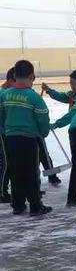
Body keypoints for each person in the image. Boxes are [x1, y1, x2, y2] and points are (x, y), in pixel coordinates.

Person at [0, 60, 51, 216]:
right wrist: (43, 132)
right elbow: (43, 118)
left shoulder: (5, 95)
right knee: (31, 172)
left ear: (14, 75)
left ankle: (18, 205)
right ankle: (36, 206)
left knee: (16, 171)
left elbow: (1, 116)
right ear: (31, 76)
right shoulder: (34, 97)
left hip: (10, 139)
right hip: (29, 140)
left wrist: (6, 129)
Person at [42, 70, 76, 206]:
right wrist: (49, 91)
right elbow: (63, 96)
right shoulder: (74, 94)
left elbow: (72, 115)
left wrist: (57, 124)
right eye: (70, 83)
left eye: (73, 84)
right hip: (75, 132)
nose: (71, 86)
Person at [0, 67, 15, 203]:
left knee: (7, 162)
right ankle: (2, 192)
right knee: (4, 162)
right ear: (10, 80)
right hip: (2, 133)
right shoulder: (3, 94)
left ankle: (4, 190)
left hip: (7, 133)